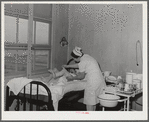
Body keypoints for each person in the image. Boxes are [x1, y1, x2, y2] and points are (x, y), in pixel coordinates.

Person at [63, 46, 106, 111]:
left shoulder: (83, 61)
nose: (74, 60)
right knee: (93, 103)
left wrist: (72, 78)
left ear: (78, 57)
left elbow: (81, 76)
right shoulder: (86, 56)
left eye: (74, 58)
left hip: (92, 83)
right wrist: (67, 66)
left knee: (89, 104)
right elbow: (79, 65)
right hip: (100, 81)